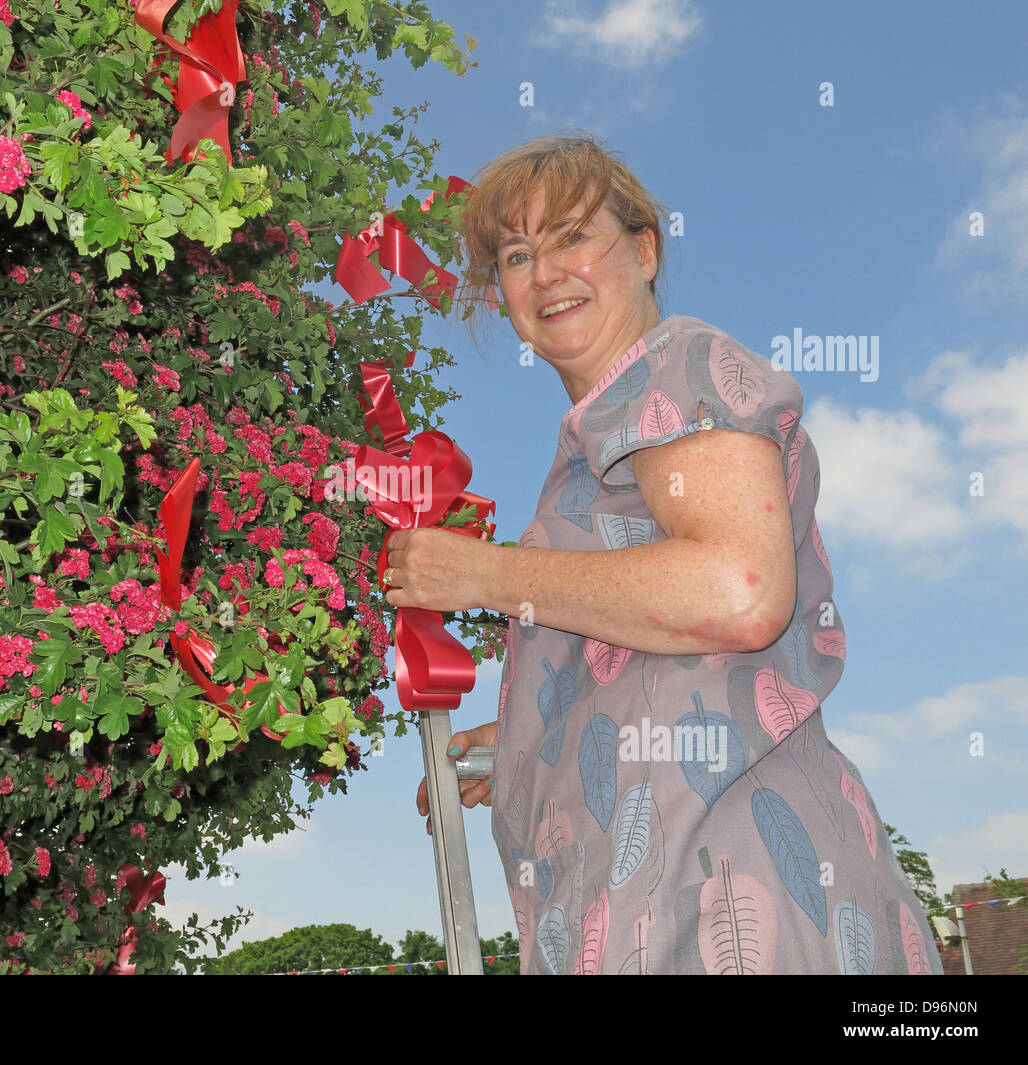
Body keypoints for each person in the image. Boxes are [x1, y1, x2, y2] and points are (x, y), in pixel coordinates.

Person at [392, 132, 943, 975]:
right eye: (515, 253)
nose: (543, 273)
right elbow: (666, 646)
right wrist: (527, 741)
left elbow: (739, 590)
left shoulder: (674, 370)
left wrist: (482, 573)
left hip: (730, 905)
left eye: (573, 235)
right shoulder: (604, 433)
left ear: (644, 250)